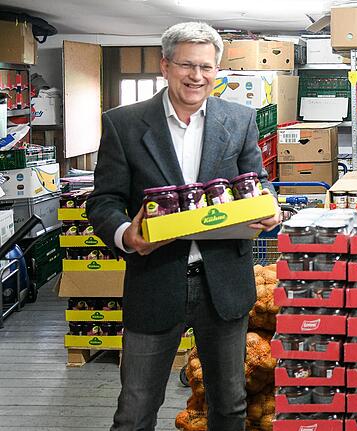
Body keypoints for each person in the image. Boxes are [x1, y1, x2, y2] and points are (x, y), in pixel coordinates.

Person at [87, 22, 281, 431]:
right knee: (135, 409)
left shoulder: (240, 120)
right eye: (187, 65)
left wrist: (271, 206)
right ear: (165, 65)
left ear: (217, 70)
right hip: (155, 280)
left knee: (229, 404)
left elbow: (258, 181)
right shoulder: (124, 123)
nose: (197, 76)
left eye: (207, 67)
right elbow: (103, 201)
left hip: (224, 283)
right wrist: (127, 235)